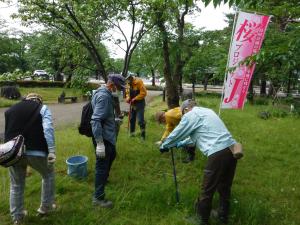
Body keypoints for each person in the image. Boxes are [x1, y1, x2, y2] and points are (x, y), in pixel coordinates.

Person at [160, 99, 237, 225]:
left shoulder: (191, 115)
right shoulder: (207, 111)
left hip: (217, 153)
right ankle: (223, 216)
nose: (183, 117)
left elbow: (178, 132)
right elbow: (197, 137)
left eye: (183, 114)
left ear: (185, 109)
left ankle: (201, 220)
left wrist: (166, 145)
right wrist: (181, 143)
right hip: (232, 150)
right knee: (224, 186)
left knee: (207, 190)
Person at [4, 93, 56, 224]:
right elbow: (48, 129)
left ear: (26, 99)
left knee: (16, 184)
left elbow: (8, 132)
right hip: (36, 151)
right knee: (48, 175)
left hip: (14, 153)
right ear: (39, 101)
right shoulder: (43, 108)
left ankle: (17, 217)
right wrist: (52, 151)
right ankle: (45, 208)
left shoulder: (10, 110)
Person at [90, 74, 125, 208]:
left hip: (107, 135)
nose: (120, 90)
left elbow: (104, 116)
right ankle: (98, 198)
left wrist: (114, 120)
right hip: (103, 138)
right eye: (119, 87)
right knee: (102, 166)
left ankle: (104, 179)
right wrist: (99, 143)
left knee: (112, 156)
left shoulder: (103, 93)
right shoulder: (104, 96)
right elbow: (96, 120)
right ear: (112, 85)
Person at [125, 74, 147, 140]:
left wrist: (135, 98)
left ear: (131, 78)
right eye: (127, 82)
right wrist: (128, 98)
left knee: (140, 120)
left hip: (140, 103)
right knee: (132, 119)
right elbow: (127, 93)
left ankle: (143, 136)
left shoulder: (139, 82)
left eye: (129, 82)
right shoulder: (128, 84)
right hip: (133, 104)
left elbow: (144, 93)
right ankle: (132, 134)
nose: (128, 83)